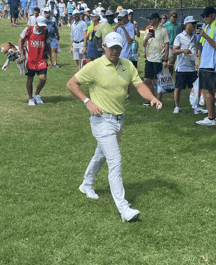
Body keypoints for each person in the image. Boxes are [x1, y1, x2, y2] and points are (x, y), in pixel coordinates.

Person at [67, 32, 162, 222]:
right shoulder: (94, 66)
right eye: (112, 48)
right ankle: (124, 209)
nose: (115, 51)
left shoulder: (127, 65)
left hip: (119, 120)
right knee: (115, 161)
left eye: (118, 48)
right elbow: (72, 83)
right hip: (101, 120)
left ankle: (87, 183)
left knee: (101, 155)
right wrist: (87, 101)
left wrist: (152, 97)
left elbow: (139, 86)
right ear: (104, 47)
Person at [173, 16, 207, 114]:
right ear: (187, 24)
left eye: (195, 24)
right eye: (193, 24)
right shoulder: (179, 37)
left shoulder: (195, 37)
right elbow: (174, 51)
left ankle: (195, 107)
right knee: (178, 88)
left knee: (196, 88)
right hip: (181, 67)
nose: (194, 26)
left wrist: (197, 62)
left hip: (192, 67)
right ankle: (177, 107)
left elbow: (196, 51)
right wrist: (183, 50)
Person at [18, 16, 52, 105]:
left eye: (43, 26)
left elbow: (48, 46)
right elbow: (20, 41)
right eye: (40, 25)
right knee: (30, 79)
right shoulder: (28, 29)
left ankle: (36, 94)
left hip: (41, 59)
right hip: (30, 60)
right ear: (36, 23)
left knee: (43, 78)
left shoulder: (45, 32)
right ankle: (30, 98)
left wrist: (50, 60)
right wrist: (22, 54)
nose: (42, 27)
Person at [196, 6, 216, 125]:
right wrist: (199, 62)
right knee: (209, 91)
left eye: (207, 16)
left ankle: (210, 118)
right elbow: (203, 46)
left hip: (211, 64)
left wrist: (205, 35)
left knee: (207, 91)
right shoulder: (207, 27)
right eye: (204, 16)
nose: (205, 18)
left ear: (213, 15)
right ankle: (213, 116)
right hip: (205, 63)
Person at [143, 12, 169, 104]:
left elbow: (166, 46)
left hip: (159, 59)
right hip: (149, 59)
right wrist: (146, 38)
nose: (150, 21)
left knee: (158, 81)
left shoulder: (163, 30)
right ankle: (152, 99)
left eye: (151, 19)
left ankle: (158, 101)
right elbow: (144, 44)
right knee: (147, 80)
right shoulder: (148, 31)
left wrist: (166, 60)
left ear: (156, 19)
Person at [163, 10, 181, 75]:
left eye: (176, 17)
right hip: (169, 46)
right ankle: (164, 71)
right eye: (173, 17)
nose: (175, 18)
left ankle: (169, 77)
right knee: (171, 62)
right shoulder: (165, 25)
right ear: (170, 16)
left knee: (172, 64)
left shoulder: (178, 26)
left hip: (176, 46)